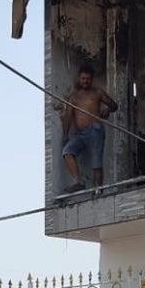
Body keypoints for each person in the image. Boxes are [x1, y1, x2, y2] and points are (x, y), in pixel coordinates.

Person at [62, 64, 118, 193]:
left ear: (91, 79)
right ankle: (78, 181)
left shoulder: (97, 92)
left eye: (87, 78)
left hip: (95, 130)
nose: (85, 81)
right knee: (67, 152)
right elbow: (68, 117)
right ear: (79, 78)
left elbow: (113, 105)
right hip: (80, 134)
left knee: (96, 161)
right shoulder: (73, 97)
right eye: (83, 78)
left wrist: (107, 110)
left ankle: (98, 189)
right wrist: (65, 135)